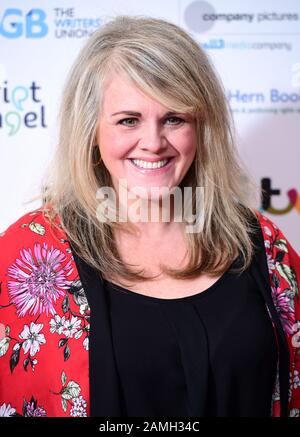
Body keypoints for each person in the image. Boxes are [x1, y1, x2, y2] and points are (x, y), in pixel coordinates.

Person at [0, 15, 300, 418]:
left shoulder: (262, 243)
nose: (154, 143)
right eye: (128, 120)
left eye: (174, 118)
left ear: (202, 126)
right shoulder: (28, 254)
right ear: (91, 130)